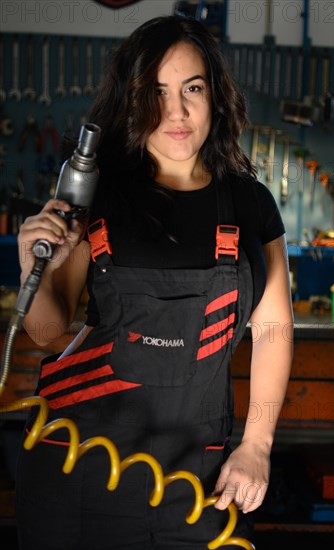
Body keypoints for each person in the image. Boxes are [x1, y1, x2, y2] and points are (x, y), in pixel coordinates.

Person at [15, 15, 293, 550]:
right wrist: (36, 268)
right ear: (132, 102)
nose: (178, 112)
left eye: (192, 88)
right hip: (81, 468)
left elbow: (275, 331)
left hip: (201, 482)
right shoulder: (94, 198)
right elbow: (49, 332)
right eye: (156, 93)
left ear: (215, 96)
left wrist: (257, 445)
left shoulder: (251, 204)